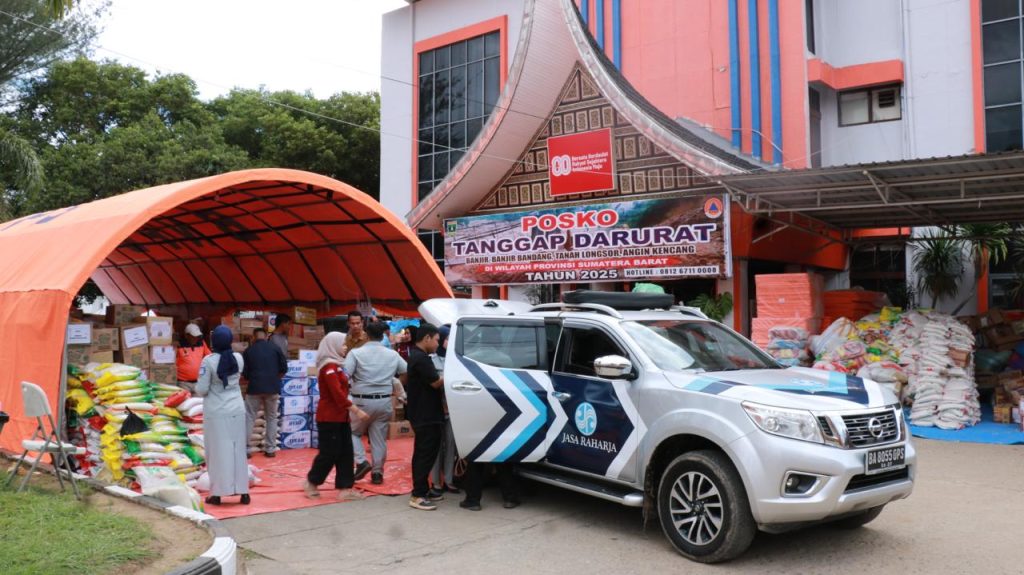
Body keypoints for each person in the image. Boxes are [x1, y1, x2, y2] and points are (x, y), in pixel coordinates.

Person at [304, 332, 369, 501]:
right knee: (329, 453)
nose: (345, 347)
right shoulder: (329, 368)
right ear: (332, 346)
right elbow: (337, 394)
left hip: (341, 417)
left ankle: (345, 487)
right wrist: (356, 410)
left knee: (346, 452)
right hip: (329, 418)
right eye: (343, 344)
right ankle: (312, 482)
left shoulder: (338, 366)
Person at [345, 320, 407, 485]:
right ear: (383, 336)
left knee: (352, 433)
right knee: (379, 439)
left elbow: (345, 375)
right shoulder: (392, 354)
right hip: (384, 400)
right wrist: (394, 385)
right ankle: (377, 473)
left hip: (361, 400)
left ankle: (361, 461)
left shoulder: (356, 353)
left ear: (366, 334)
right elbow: (406, 371)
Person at [196, 326, 250, 506]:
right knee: (238, 451)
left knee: (218, 453)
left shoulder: (208, 361)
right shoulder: (238, 358)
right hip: (237, 409)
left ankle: (218, 494)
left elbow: (202, 389)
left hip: (217, 411)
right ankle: (243, 492)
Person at [406, 323, 446, 510]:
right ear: (427, 338)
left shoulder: (418, 356)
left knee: (424, 452)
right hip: (425, 414)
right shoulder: (421, 358)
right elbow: (436, 383)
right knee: (425, 453)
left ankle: (422, 488)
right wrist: (452, 376)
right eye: (437, 340)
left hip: (423, 412)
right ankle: (418, 495)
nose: (438, 344)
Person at [242, 327, 287, 458]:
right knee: (271, 418)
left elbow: (245, 374)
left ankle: (245, 449)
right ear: (267, 336)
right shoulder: (275, 348)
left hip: (254, 388)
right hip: (272, 388)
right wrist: (275, 378)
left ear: (253, 337)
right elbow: (284, 368)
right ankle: (270, 449)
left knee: (250, 417)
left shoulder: (248, 351)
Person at [430, 325, 460, 494]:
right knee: (436, 446)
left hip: (453, 410)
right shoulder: (431, 360)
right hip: (436, 408)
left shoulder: (456, 359)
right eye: (448, 338)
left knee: (451, 446)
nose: (450, 341)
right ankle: (436, 482)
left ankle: (449, 480)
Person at [176, 323, 211, 393]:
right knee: (185, 400)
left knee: (199, 400)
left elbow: (210, 356)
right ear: (186, 335)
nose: (196, 338)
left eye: (197, 336)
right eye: (193, 336)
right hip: (183, 383)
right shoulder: (178, 345)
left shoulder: (201, 343)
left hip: (198, 382)